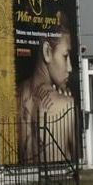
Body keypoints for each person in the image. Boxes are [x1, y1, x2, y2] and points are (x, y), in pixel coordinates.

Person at [17, 12, 77, 164]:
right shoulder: (66, 105)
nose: (69, 67)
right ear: (47, 52)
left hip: (24, 176)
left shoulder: (15, 95)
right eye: (65, 56)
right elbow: (79, 160)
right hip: (58, 177)